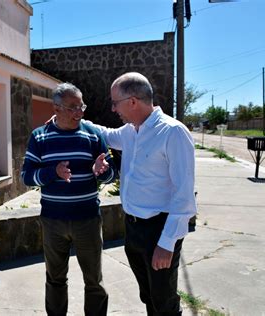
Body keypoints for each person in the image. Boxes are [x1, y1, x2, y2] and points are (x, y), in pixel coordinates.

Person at [89, 72, 197, 315]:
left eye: (115, 103)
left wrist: (167, 243)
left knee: (164, 302)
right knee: (148, 295)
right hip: (134, 230)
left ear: (133, 101)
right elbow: (104, 133)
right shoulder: (131, 131)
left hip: (158, 230)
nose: (113, 109)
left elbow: (184, 195)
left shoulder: (173, 132)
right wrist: (71, 118)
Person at [21, 82, 116, 316]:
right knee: (55, 279)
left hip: (88, 220)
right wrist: (52, 173)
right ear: (56, 108)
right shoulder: (40, 137)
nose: (80, 112)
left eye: (81, 106)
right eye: (73, 107)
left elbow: (111, 174)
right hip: (53, 221)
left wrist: (101, 170)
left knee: (94, 280)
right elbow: (26, 177)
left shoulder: (93, 135)